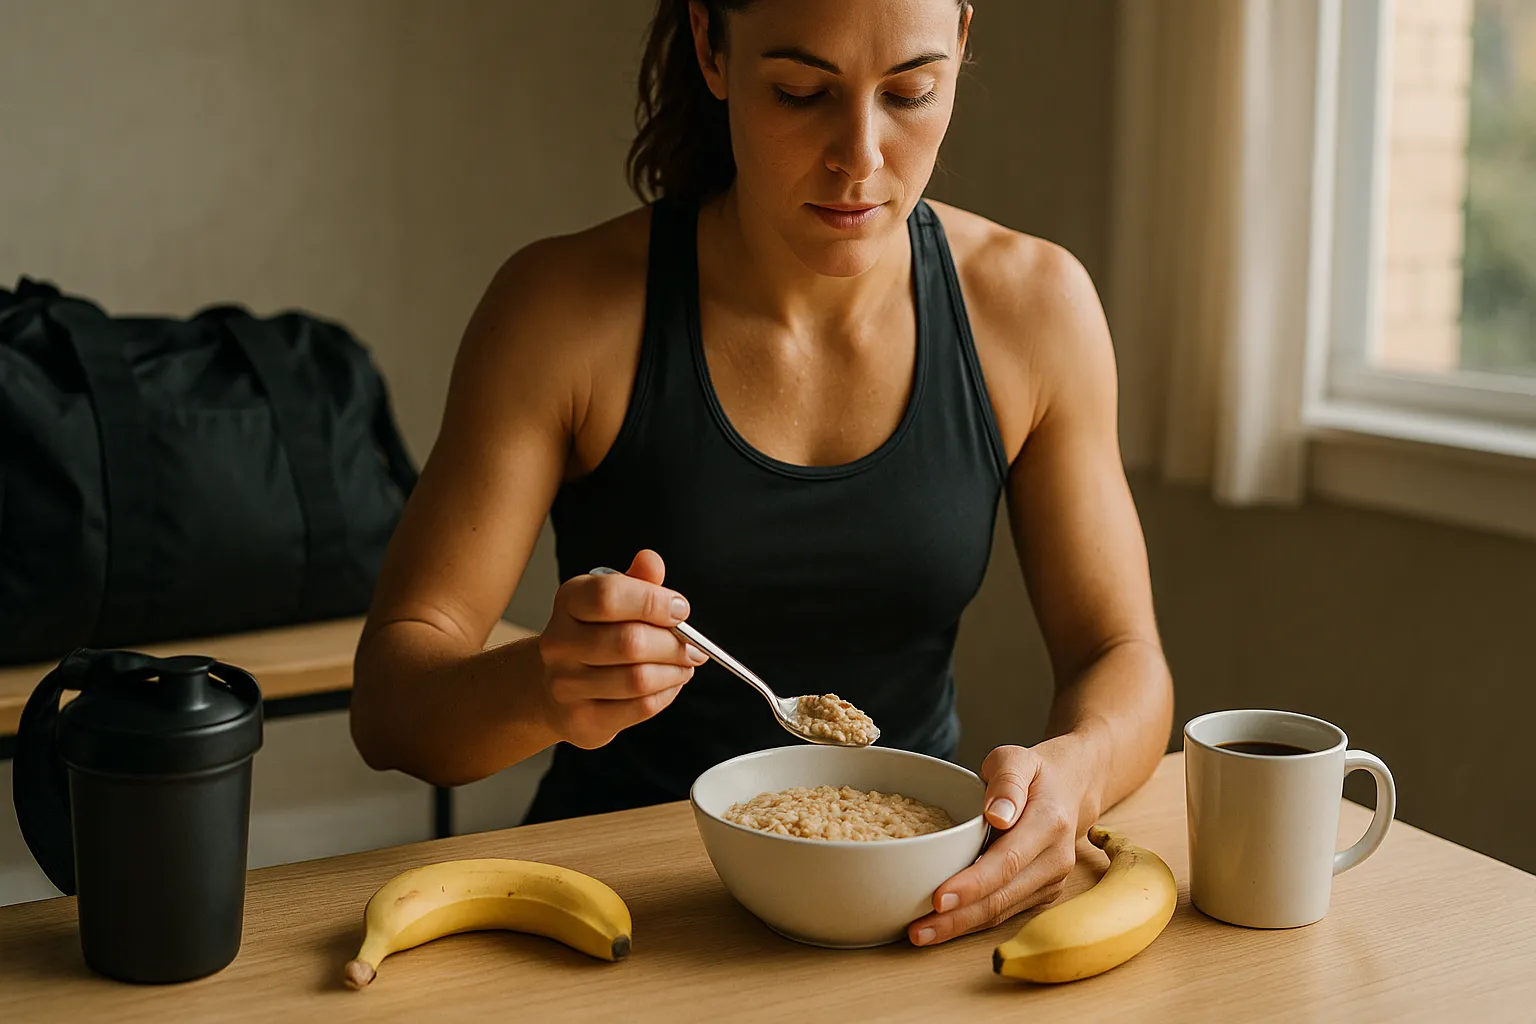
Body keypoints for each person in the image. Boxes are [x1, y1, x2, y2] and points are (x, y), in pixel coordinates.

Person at [350, 0, 1173, 949]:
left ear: (962, 48)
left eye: (911, 91)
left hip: (907, 914)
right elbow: (392, 707)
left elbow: (1123, 657)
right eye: (800, 92)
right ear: (712, 47)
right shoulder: (561, 313)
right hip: (615, 918)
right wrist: (542, 686)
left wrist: (1076, 770)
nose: (860, 155)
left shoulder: (1035, 309)